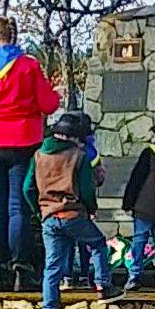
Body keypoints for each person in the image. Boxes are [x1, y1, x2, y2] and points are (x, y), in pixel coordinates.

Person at [0, 16, 60, 291]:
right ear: (14, 37)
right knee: (18, 206)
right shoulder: (29, 66)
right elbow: (48, 104)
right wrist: (55, 92)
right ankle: (21, 269)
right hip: (23, 141)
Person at [23, 113, 126, 309]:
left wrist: (39, 210)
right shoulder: (78, 156)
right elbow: (87, 190)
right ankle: (103, 286)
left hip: (49, 217)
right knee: (98, 243)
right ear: (73, 137)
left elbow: (27, 188)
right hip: (73, 214)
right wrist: (91, 210)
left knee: (52, 269)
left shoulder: (39, 155)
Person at [121, 114, 155, 292]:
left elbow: (136, 179)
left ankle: (134, 276)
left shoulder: (149, 152)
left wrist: (128, 202)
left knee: (139, 242)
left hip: (143, 205)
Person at [62, 113, 102, 291]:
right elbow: (99, 177)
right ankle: (86, 276)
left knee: (67, 242)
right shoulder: (90, 152)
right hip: (83, 204)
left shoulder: (65, 150)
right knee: (86, 242)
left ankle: (67, 277)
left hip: (66, 201)